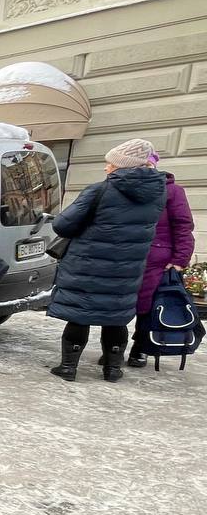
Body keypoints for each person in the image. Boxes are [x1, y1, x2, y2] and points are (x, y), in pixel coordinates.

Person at [47, 138, 166, 382]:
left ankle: (68, 367)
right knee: (116, 316)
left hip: (88, 265)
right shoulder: (157, 194)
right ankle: (113, 369)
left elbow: (62, 224)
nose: (106, 168)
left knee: (79, 315)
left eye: (110, 164)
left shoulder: (99, 190)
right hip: (127, 269)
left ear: (122, 166)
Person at [129, 161, 196, 367]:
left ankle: (141, 347)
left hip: (158, 261)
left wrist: (179, 259)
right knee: (119, 305)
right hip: (127, 255)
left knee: (149, 306)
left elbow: (183, 226)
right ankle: (113, 349)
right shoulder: (125, 189)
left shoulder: (172, 191)